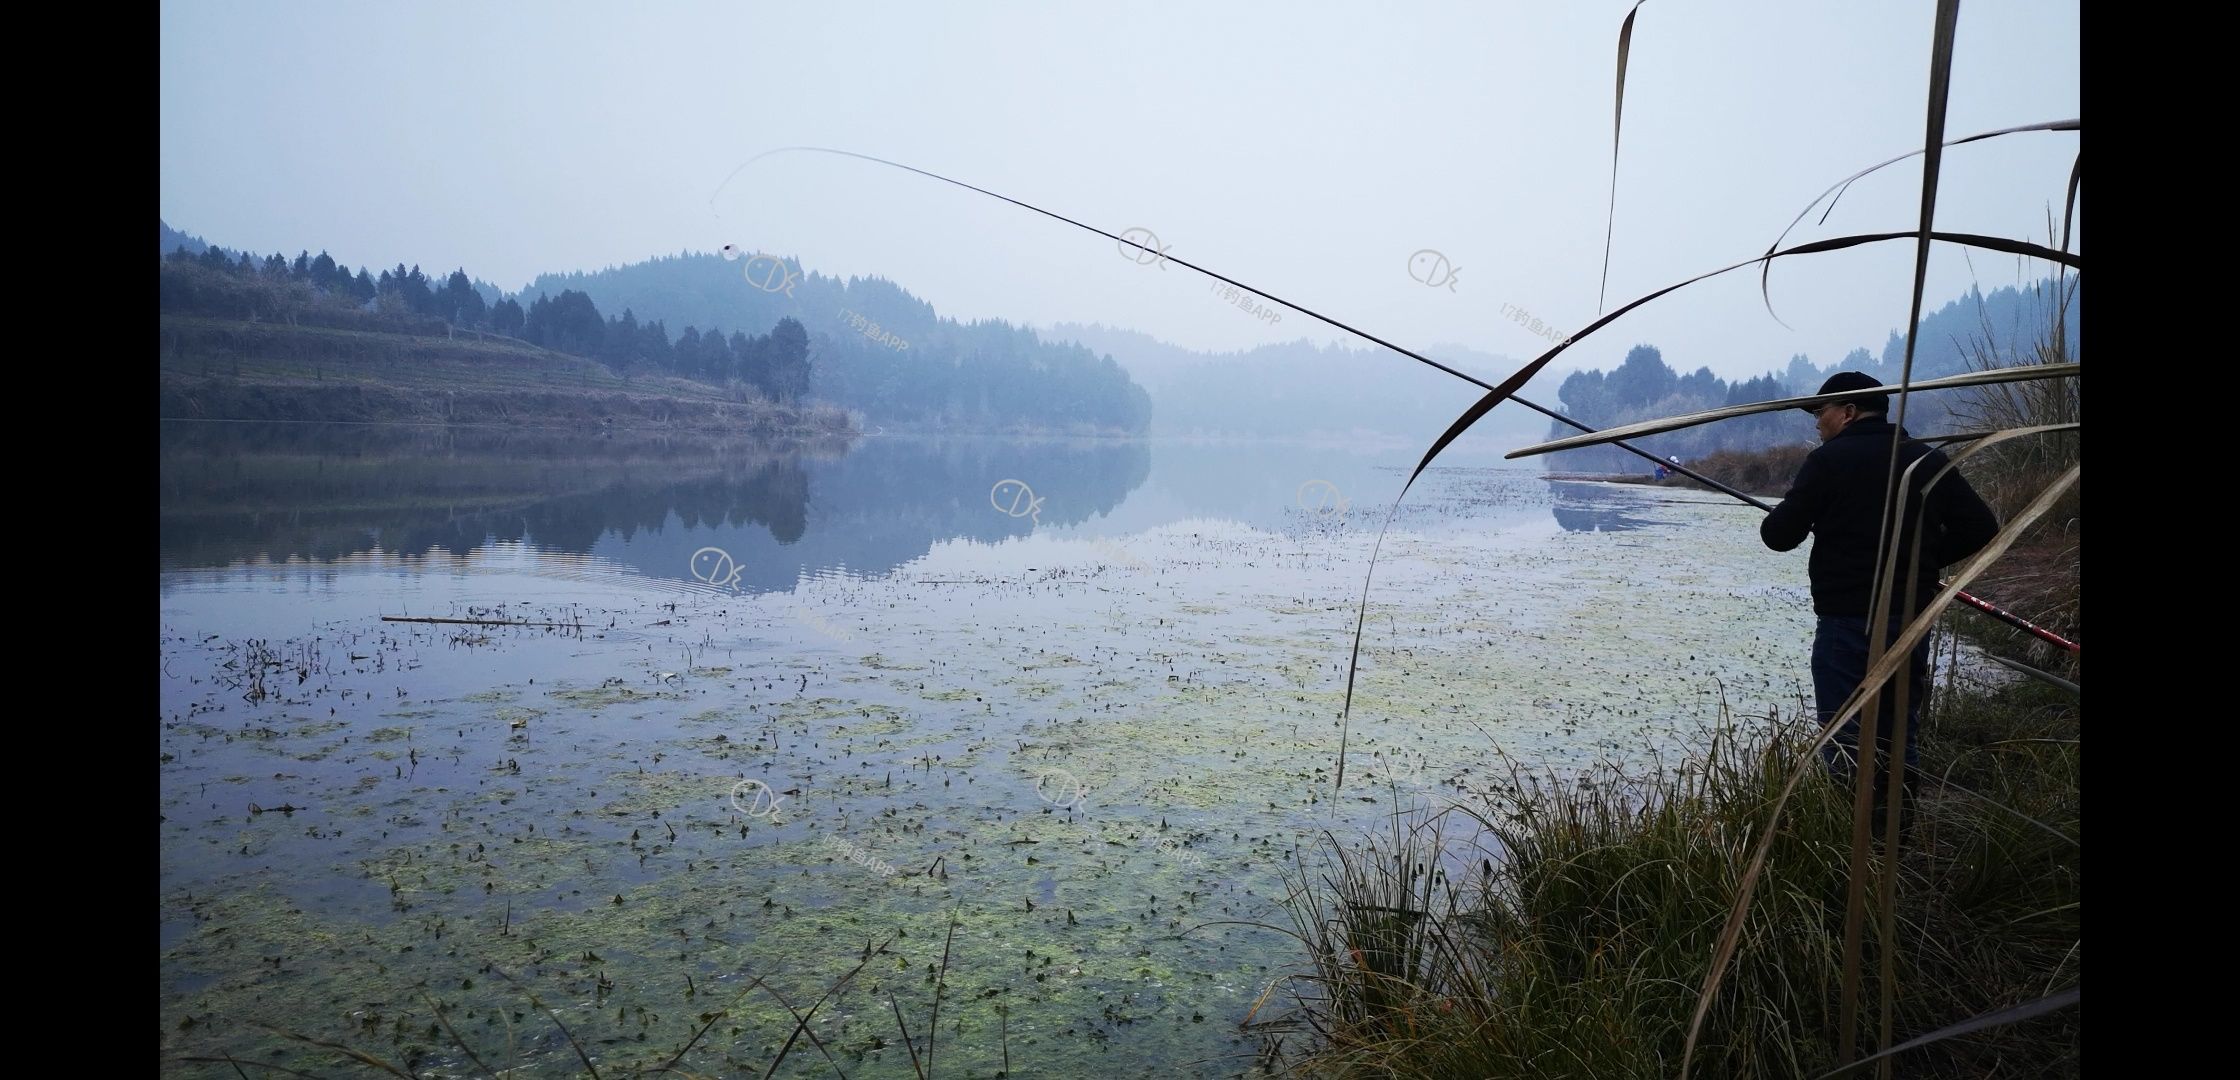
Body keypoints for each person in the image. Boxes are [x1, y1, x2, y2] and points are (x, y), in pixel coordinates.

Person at [1759, 373, 1999, 823]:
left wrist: (1788, 512)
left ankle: (1848, 845)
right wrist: (1919, 564)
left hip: (1846, 622)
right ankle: (1896, 844)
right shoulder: (1926, 461)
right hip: (1909, 619)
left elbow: (1778, 536)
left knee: (1845, 735)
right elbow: (1982, 528)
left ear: (1848, 412)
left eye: (1820, 413)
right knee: (1898, 735)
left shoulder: (1829, 462)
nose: (1816, 424)